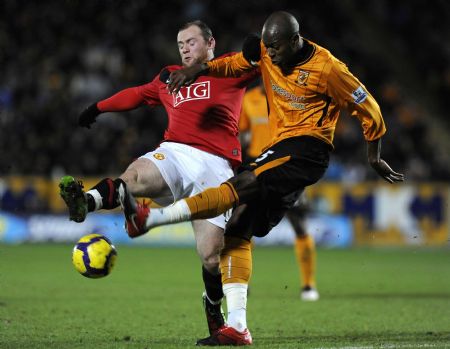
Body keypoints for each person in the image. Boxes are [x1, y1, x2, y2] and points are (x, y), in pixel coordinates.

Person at [120, 11, 405, 346]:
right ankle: (238, 327)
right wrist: (199, 68)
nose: (271, 54)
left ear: (295, 40)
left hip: (307, 149)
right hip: (279, 151)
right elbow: (235, 65)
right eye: (267, 47)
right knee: (238, 229)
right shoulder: (268, 55)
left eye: (277, 48)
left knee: (241, 185)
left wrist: (373, 155)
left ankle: (153, 218)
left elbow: (367, 105)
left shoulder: (328, 68)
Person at [58, 20, 258, 343]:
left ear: (211, 44)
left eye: (191, 42)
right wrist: (98, 108)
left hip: (217, 166)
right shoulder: (169, 76)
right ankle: (87, 201)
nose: (184, 49)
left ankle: (212, 304)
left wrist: (257, 44)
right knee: (133, 177)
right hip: (175, 153)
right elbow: (137, 94)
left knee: (211, 255)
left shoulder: (228, 69)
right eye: (181, 44)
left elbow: (261, 57)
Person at [239, 83, 319, 301]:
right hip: (258, 167)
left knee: (299, 223)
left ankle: (308, 285)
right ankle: (241, 284)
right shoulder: (249, 98)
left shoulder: (291, 96)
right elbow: (243, 133)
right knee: (243, 224)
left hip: (288, 167)